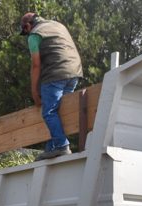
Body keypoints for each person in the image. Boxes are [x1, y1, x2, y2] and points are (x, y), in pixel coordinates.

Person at [20, 12, 83, 161]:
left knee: (48, 112)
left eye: (25, 31)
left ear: (28, 26)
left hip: (55, 74)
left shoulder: (34, 35)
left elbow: (36, 65)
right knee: (60, 111)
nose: (26, 34)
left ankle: (62, 147)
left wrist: (34, 91)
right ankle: (52, 148)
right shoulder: (58, 25)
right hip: (74, 72)